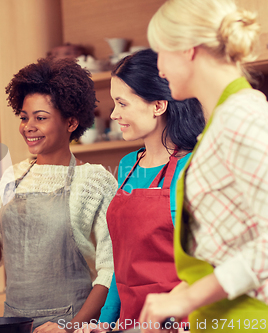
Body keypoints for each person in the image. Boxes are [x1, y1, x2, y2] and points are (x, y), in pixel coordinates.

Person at [138, 0, 268, 332]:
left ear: (187, 49)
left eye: (161, 53)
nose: (159, 68)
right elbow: (233, 245)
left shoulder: (241, 116)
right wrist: (184, 292)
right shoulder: (223, 120)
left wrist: (189, 298)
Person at [0, 57, 117, 332]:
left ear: (70, 122)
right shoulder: (13, 176)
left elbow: (109, 271)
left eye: (40, 118)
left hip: (70, 324)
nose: (27, 126)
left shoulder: (94, 180)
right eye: (24, 117)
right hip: (14, 322)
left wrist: (70, 328)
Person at [74, 49, 204, 333]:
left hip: (181, 323)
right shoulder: (127, 166)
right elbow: (123, 263)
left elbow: (207, 263)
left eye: (122, 103)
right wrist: (106, 324)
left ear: (158, 105)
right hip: (131, 323)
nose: (114, 114)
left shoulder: (193, 167)